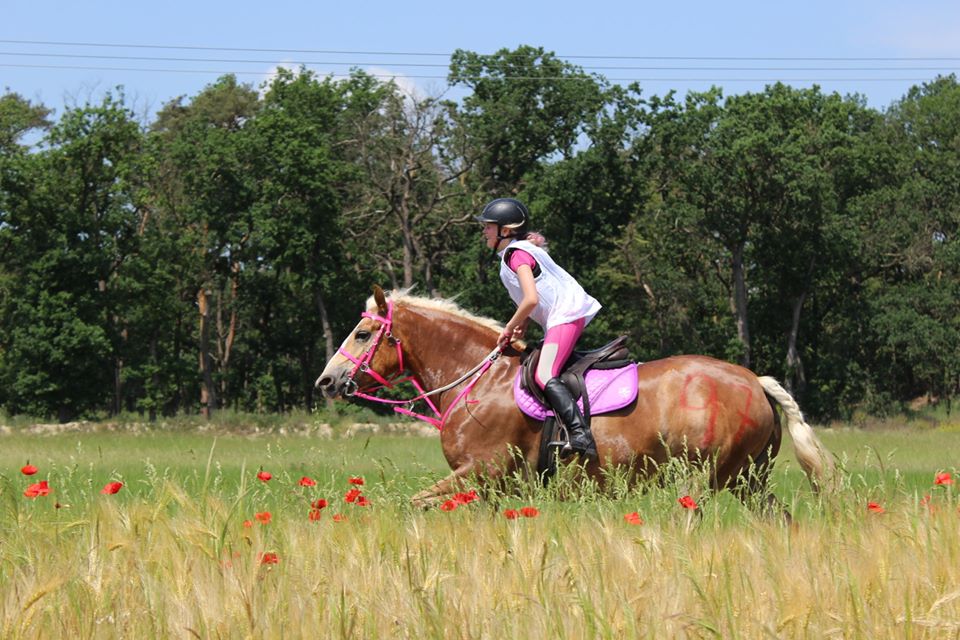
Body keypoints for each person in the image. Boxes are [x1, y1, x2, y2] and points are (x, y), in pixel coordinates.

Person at [477, 197, 602, 460]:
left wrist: (508, 327)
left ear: (506, 230)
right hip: (564, 315)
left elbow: (531, 298)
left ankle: (581, 434)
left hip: (565, 316)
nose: (484, 231)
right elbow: (532, 297)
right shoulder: (520, 250)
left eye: (489, 226)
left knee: (544, 375)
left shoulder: (516, 255)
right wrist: (522, 324)